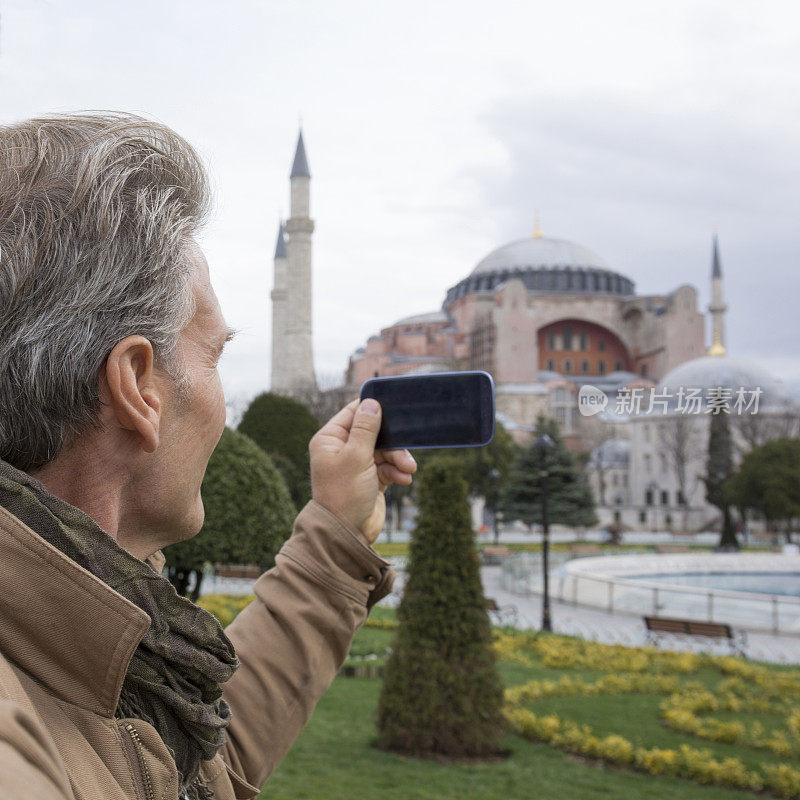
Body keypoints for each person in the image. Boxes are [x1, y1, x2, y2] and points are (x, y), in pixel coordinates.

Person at [0, 113, 416, 800]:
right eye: (214, 352)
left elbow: (185, 763)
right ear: (138, 387)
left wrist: (336, 536)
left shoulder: (91, 641)